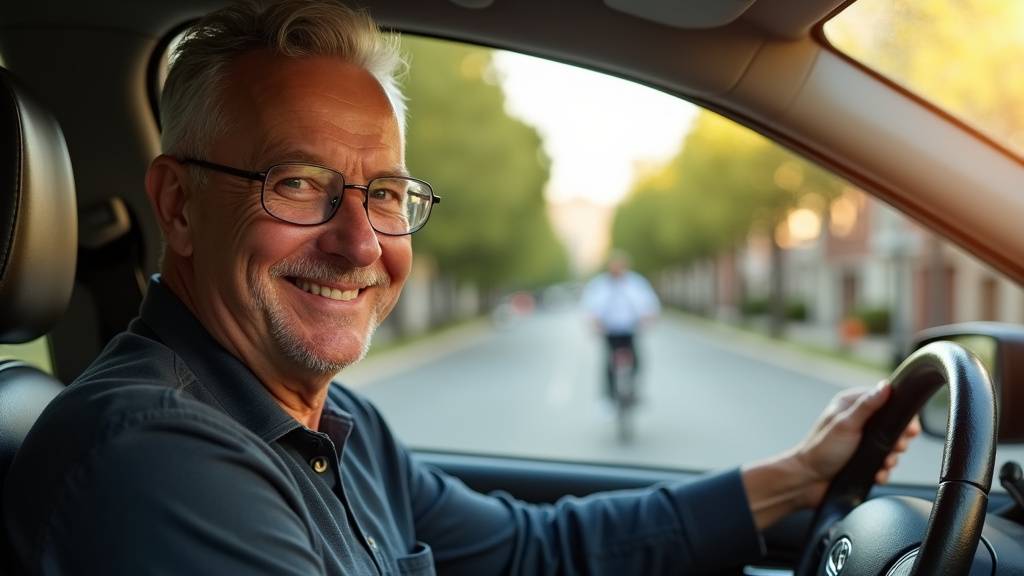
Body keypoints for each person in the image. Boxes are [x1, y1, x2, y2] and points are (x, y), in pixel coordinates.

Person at [2, 1, 920, 574]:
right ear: (182, 207)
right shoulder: (152, 458)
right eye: (297, 183)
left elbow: (534, 551)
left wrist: (792, 480)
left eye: (386, 193)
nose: (360, 240)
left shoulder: (337, 425)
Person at [582, 250, 660, 402]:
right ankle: (610, 396)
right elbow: (590, 306)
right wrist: (593, 321)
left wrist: (649, 316)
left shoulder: (636, 283)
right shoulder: (599, 285)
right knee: (609, 363)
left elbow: (649, 302)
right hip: (609, 330)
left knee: (636, 360)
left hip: (630, 329)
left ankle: (631, 389)